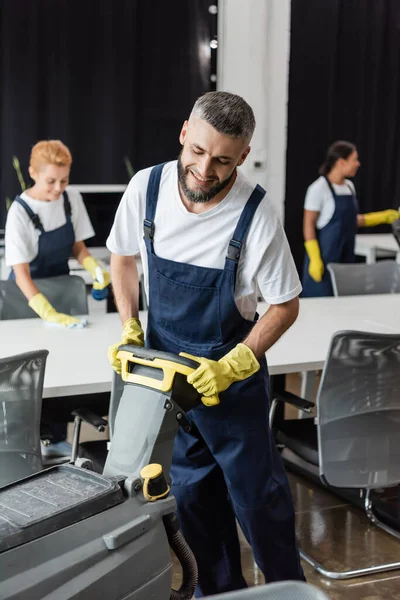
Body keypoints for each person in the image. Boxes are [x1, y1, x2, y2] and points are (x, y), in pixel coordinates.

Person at [106, 91, 305, 596]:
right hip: (170, 387)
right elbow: (123, 257)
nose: (203, 169)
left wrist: (237, 362)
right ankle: (218, 593)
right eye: (196, 151)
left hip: (230, 391)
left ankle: (288, 593)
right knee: (193, 505)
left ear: (243, 154)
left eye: (221, 159)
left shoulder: (256, 215)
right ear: (183, 134)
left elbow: (285, 304)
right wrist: (129, 323)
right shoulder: (145, 189)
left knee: (260, 507)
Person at [5, 139, 110, 326]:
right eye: (51, 181)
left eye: (64, 180)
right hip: (26, 298)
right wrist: (48, 313)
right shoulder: (19, 211)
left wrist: (96, 270)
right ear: (33, 173)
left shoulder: (71, 199)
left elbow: (77, 248)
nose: (58, 188)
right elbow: (21, 273)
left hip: (63, 291)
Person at [302, 140, 400, 297]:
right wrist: (315, 258)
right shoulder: (318, 189)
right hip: (323, 263)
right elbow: (308, 225)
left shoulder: (349, 186)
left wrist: (383, 217)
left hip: (346, 260)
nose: (358, 164)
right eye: (354, 159)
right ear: (341, 162)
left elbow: (350, 220)